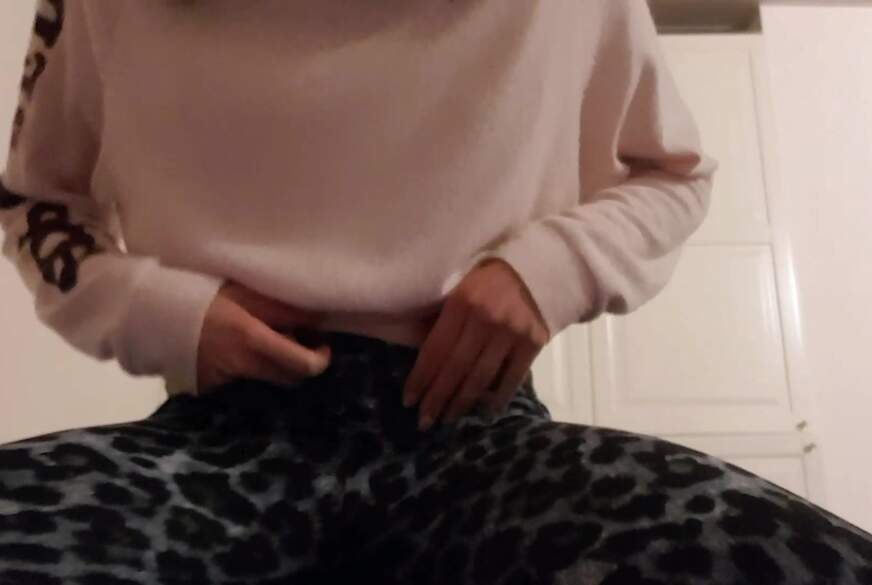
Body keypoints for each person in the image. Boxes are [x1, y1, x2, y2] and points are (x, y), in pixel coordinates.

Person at [1, 1, 871, 584]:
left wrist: (552, 268)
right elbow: (35, 199)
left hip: (473, 430)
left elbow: (671, 171)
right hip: (213, 435)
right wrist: (160, 313)